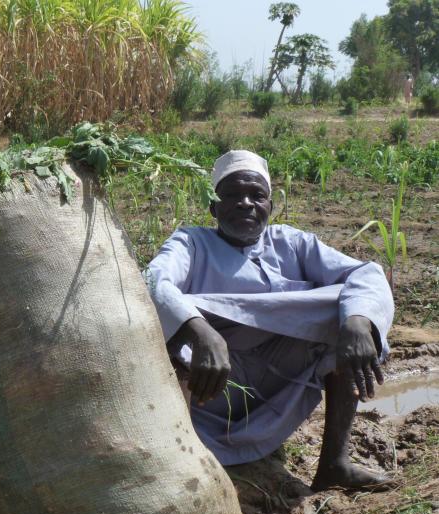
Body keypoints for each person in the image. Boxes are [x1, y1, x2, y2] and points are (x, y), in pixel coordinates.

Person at [144, 150, 394, 491]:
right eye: (232, 195)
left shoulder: (292, 243)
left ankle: (334, 464)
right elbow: (155, 281)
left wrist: (358, 321)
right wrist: (200, 331)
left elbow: (365, 273)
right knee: (174, 330)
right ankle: (184, 467)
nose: (246, 203)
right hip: (211, 389)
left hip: (282, 382)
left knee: (351, 308)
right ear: (213, 208)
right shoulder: (191, 243)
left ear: (270, 207)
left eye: (257, 195)